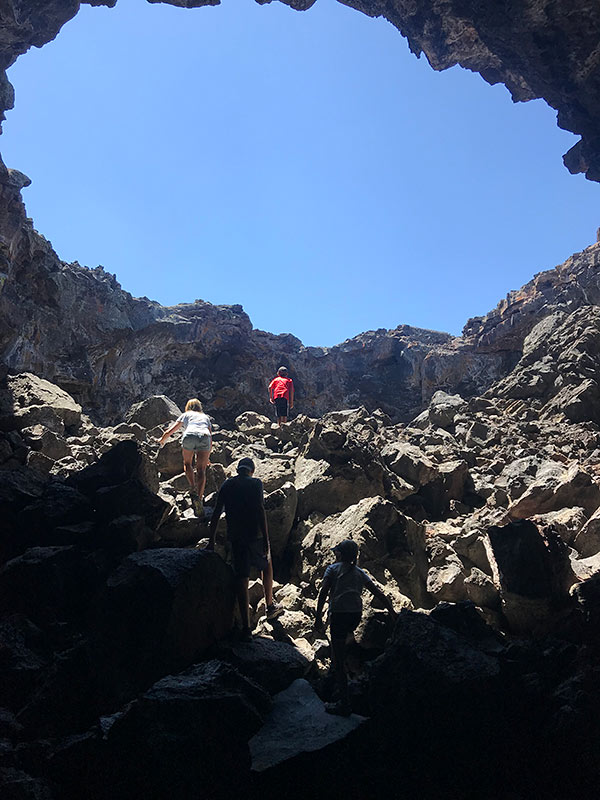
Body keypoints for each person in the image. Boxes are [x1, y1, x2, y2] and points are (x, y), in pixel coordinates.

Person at [314, 539, 395, 716]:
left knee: (338, 654)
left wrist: (318, 617)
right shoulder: (360, 572)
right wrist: (392, 611)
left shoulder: (332, 569)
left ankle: (344, 703)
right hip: (355, 615)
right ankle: (340, 666)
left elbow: (323, 592)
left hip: (339, 614)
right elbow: (378, 592)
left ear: (340, 555)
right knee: (342, 642)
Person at [207, 457, 283, 641]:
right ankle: (270, 605)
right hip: (255, 535)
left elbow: (217, 512)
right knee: (266, 565)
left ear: (239, 469)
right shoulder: (255, 483)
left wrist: (211, 540)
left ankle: (247, 628)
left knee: (241, 578)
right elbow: (260, 509)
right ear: (252, 470)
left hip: (237, 538)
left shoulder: (227, 485)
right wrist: (266, 539)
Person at [159, 398, 212, 515]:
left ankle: (192, 486)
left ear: (188, 407)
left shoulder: (186, 414)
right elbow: (210, 437)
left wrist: (162, 440)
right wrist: (207, 457)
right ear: (199, 407)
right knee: (201, 470)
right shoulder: (205, 417)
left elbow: (171, 430)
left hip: (189, 435)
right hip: (205, 436)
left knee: (187, 463)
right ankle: (199, 497)